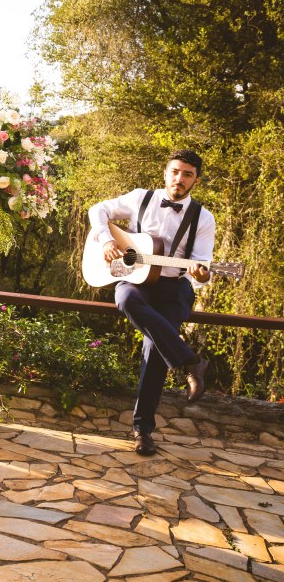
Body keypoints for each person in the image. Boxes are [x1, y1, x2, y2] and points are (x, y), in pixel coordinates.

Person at [87, 149, 215, 456]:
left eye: (187, 174)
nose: (179, 179)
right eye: (175, 172)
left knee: (154, 348)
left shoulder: (203, 217)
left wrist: (200, 273)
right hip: (137, 281)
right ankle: (190, 360)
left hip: (174, 288)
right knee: (125, 298)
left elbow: (201, 266)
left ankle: (142, 431)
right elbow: (97, 210)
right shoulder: (140, 198)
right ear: (166, 172)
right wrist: (106, 241)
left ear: (195, 180)